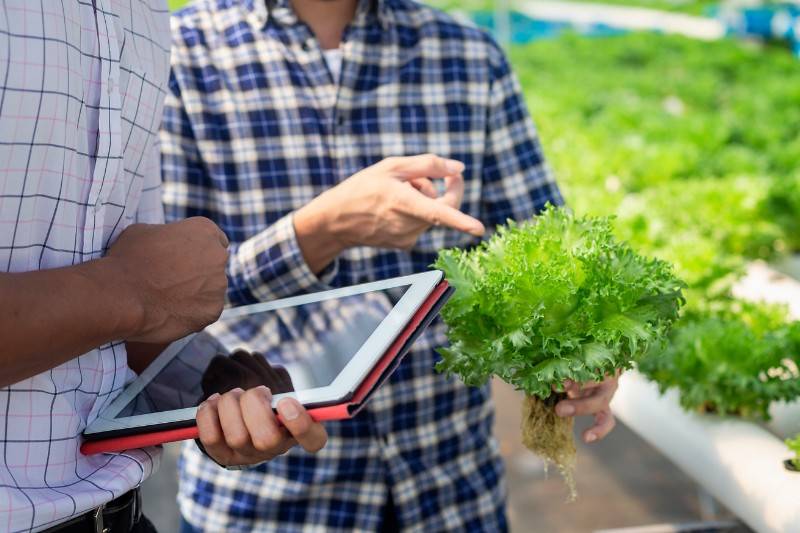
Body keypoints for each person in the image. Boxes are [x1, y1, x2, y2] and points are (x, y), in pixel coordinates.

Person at [162, 0, 621, 531]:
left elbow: (542, 253)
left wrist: (576, 351)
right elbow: (166, 310)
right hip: (268, 501)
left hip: (451, 491)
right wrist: (322, 229)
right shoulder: (182, 55)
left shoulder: (467, 54)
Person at [0, 2, 327, 532]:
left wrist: (213, 390)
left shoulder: (144, 12)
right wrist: (131, 289)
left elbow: (139, 289)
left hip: (120, 516)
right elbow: (143, 286)